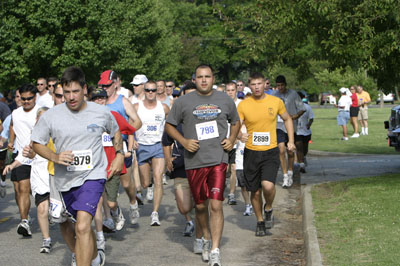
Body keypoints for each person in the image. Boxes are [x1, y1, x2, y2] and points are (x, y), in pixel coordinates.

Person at [31, 66, 124, 266]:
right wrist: (55, 157)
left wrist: (119, 155)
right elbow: (36, 143)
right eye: (66, 92)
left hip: (93, 175)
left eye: (75, 91)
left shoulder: (101, 112)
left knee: (82, 226)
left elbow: (116, 132)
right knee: (77, 227)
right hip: (65, 180)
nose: (71, 97)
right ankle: (93, 256)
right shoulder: (51, 116)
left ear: (84, 89)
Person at [165, 65, 240, 266]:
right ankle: (205, 237)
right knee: (200, 206)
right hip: (194, 160)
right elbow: (169, 125)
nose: (204, 80)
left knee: (216, 204)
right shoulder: (183, 102)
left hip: (218, 158)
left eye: (207, 77)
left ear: (213, 78)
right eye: (200, 77)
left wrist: (232, 139)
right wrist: (183, 141)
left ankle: (215, 249)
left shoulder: (224, 99)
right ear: (195, 79)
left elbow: (236, 121)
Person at [237, 72, 295, 237]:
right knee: (254, 191)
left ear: (265, 85)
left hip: (270, 151)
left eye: (259, 84)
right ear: (250, 86)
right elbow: (236, 125)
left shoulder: (275, 102)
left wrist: (290, 140)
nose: (256, 87)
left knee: (268, 186)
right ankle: (260, 221)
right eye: (253, 84)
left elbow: (287, 119)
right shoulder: (243, 105)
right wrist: (240, 135)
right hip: (251, 152)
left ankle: (268, 207)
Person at [4, 107, 52, 253]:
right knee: (42, 209)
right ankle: (46, 240)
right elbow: (25, 155)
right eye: (39, 118)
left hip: (56, 179)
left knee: (60, 214)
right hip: (40, 180)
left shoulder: (57, 135)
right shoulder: (33, 138)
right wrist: (12, 165)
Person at [98, 70, 142, 227]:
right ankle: (110, 217)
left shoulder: (122, 101)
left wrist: (123, 132)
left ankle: (132, 202)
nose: (104, 88)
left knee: (125, 184)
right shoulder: (96, 102)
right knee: (101, 185)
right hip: (100, 148)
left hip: (120, 147)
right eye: (101, 85)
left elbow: (137, 122)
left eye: (107, 85)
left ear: (115, 84)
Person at [161, 83, 196, 236]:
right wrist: (168, 159)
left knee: (200, 201)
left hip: (200, 165)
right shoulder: (175, 118)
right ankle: (190, 218)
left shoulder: (205, 115)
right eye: (187, 95)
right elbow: (166, 141)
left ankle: (195, 221)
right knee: (183, 207)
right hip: (180, 166)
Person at [133, 81, 169, 226]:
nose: (150, 93)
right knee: (145, 182)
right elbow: (130, 125)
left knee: (158, 178)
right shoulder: (137, 107)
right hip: (142, 146)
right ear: (144, 90)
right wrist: (132, 140)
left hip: (158, 146)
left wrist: (168, 145)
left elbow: (170, 126)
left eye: (153, 90)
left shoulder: (164, 108)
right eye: (147, 90)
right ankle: (149, 187)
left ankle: (155, 213)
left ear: (157, 91)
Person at [8, 83, 40, 237]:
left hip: (40, 158)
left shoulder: (40, 112)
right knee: (22, 189)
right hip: (22, 157)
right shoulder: (15, 113)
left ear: (35, 97)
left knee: (41, 192)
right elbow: (13, 126)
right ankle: (24, 221)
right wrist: (11, 141)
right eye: (24, 98)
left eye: (30, 98)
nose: (26, 101)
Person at [272, 75, 305, 188]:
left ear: (285, 84)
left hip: (290, 126)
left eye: (282, 85)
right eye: (278, 86)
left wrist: (295, 116)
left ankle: (290, 171)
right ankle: (285, 175)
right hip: (278, 126)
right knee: (281, 149)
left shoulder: (293, 94)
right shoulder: (274, 96)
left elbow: (302, 108)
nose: (280, 87)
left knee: (290, 151)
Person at [225, 82, 241, 205]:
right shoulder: (222, 104)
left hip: (237, 142)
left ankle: (231, 194)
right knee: (225, 169)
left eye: (232, 90)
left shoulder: (241, 104)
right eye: (228, 90)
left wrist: (236, 137)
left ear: (236, 90)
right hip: (223, 141)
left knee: (234, 168)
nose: (230, 92)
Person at [296, 92, 314, 173]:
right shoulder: (292, 108)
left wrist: (309, 124)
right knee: (299, 147)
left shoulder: (307, 107)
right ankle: (301, 164)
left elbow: (311, 118)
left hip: (306, 131)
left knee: (305, 148)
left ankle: (303, 158)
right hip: (296, 131)